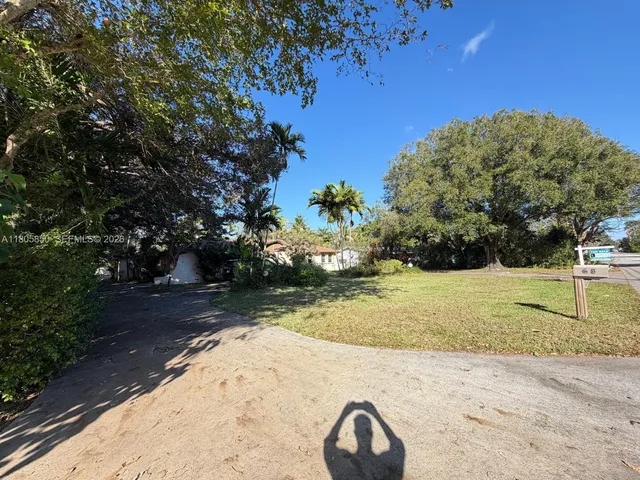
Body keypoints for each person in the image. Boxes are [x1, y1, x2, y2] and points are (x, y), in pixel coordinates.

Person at [324, 401, 405, 480]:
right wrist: (376, 415)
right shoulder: (382, 465)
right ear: (372, 434)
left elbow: (328, 443)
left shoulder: (346, 466)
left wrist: (344, 415)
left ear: (355, 433)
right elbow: (397, 444)